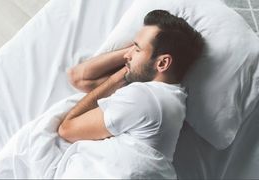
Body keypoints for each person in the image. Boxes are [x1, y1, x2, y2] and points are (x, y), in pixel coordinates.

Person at [58, 10, 204, 162]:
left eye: (137, 48)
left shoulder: (144, 98)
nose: (126, 55)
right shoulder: (170, 98)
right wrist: (134, 64)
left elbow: (66, 130)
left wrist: (127, 70)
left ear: (162, 63)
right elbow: (79, 77)